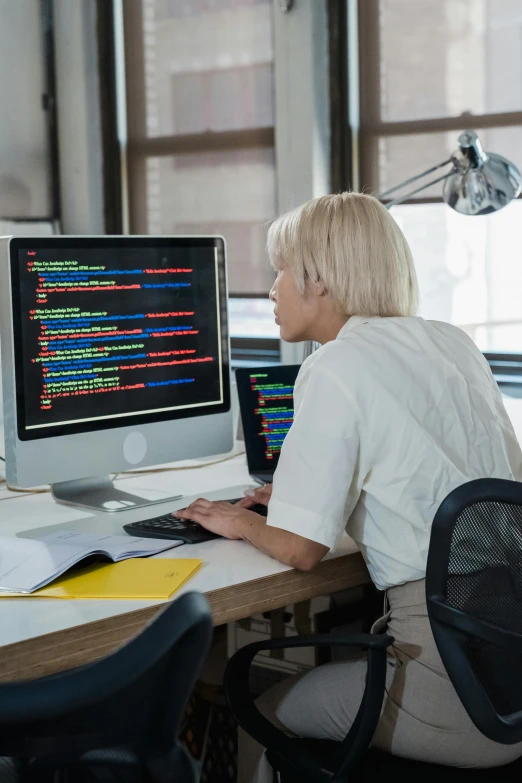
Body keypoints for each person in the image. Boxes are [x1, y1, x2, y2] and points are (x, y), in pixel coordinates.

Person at [176, 192, 522, 778]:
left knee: (262, 707)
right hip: (506, 683)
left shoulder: (337, 365)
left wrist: (242, 521)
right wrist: (298, 504)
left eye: (282, 271)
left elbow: (302, 551)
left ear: (319, 282)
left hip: (448, 692)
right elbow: (443, 494)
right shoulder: (452, 343)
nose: (273, 290)